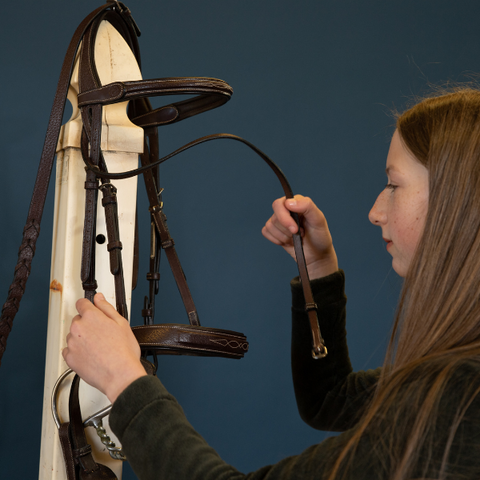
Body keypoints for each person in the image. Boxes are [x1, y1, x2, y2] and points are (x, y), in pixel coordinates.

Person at [63, 89, 480, 480]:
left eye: (394, 184)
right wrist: (317, 266)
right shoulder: (453, 381)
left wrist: (124, 381)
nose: (375, 211)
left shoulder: (461, 400)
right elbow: (331, 400)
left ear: (456, 200)